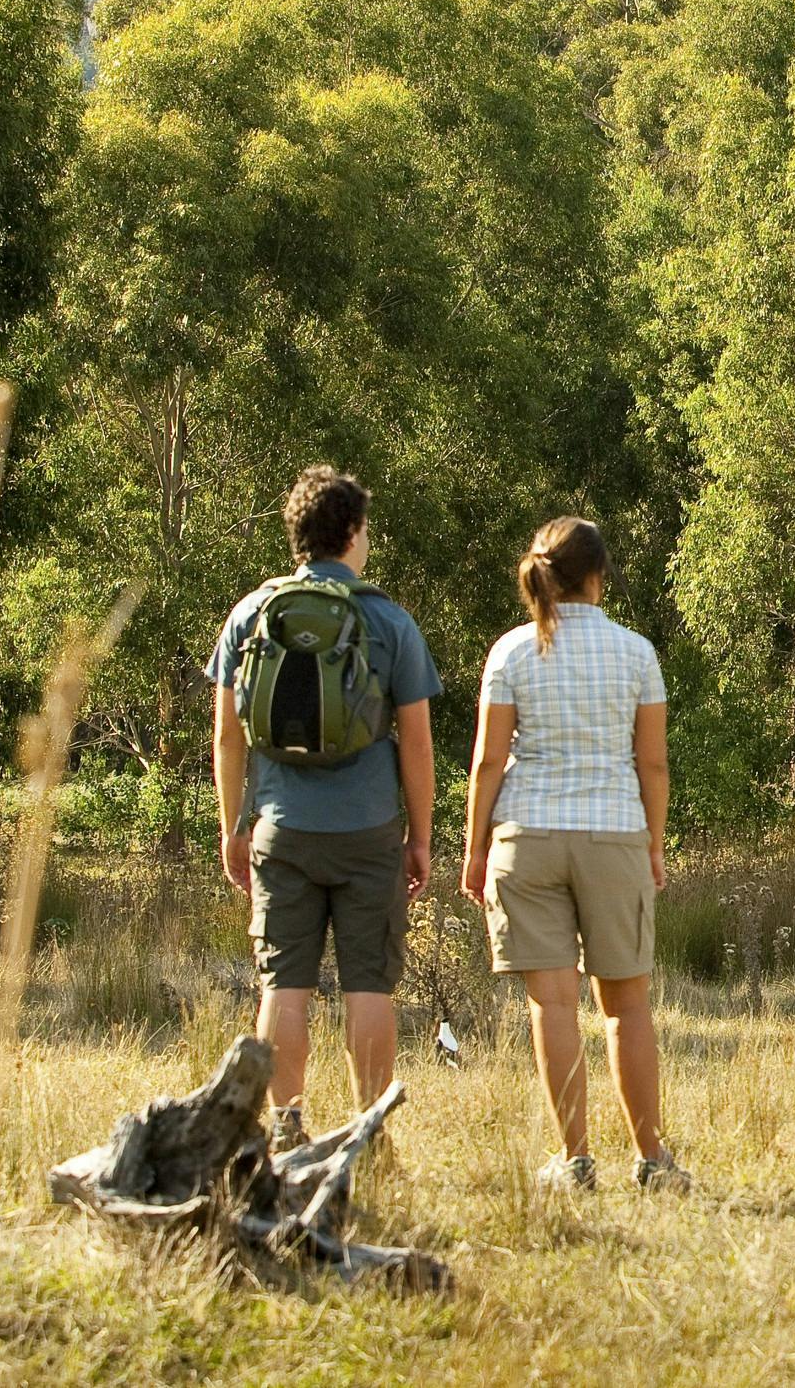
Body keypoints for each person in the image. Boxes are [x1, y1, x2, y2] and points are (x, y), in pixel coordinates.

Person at [208, 465, 441, 1146]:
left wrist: (234, 826)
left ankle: (286, 1125)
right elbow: (417, 743)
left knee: (284, 982)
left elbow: (228, 734)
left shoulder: (252, 614)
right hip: (369, 829)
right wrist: (420, 837)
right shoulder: (388, 619)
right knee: (370, 984)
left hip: (281, 827)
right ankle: (368, 1131)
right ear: (353, 532)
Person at [463, 515, 685, 1194]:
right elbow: (651, 764)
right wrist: (654, 843)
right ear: (598, 576)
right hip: (614, 834)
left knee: (552, 1008)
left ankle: (576, 1160)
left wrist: (474, 850)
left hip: (527, 838)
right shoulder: (637, 653)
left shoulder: (510, 653)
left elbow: (488, 761)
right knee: (627, 1008)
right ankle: (651, 1160)